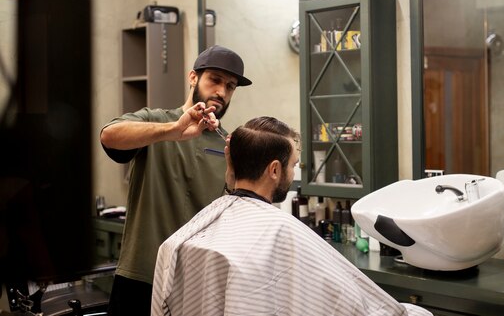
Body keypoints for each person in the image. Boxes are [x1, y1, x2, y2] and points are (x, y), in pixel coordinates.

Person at [151, 116, 433, 316]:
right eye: (293, 165)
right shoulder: (280, 231)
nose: (294, 173)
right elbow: (350, 304)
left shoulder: (191, 233)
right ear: (274, 170)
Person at [100, 45, 252, 316]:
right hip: (141, 274)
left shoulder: (229, 145)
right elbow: (109, 136)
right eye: (214, 80)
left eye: (230, 86)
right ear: (193, 77)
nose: (221, 92)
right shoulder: (155, 121)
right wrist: (174, 130)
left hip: (195, 283)